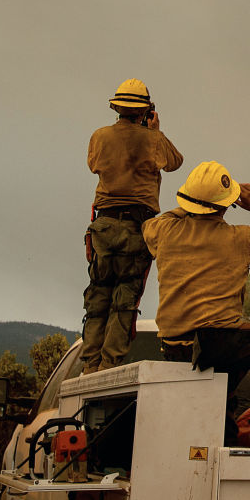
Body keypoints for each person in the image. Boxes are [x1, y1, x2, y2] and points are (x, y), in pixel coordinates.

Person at [142, 161, 250, 448]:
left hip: (175, 347)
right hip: (218, 344)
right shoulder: (238, 238)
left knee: (220, 415)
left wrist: (192, 201)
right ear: (226, 205)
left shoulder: (164, 232)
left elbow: (152, 224)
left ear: (186, 200)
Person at [81, 78, 183, 374]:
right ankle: (110, 363)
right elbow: (175, 162)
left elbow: (93, 164)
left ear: (117, 107)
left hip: (103, 226)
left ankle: (91, 363)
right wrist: (155, 132)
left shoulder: (99, 136)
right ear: (145, 110)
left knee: (98, 292)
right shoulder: (153, 141)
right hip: (137, 228)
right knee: (124, 299)